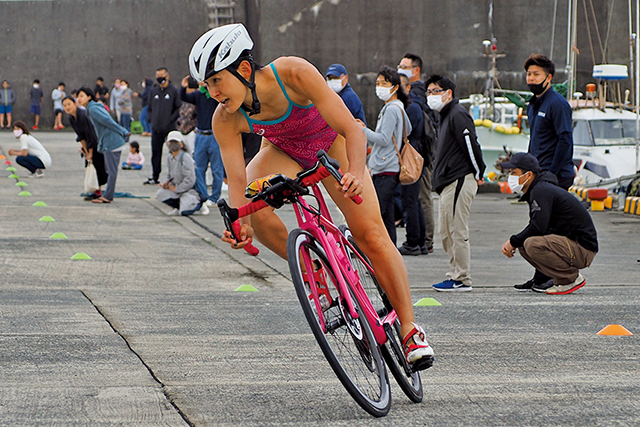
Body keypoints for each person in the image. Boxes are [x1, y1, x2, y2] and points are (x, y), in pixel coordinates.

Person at [188, 23, 433, 369]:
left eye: (217, 80)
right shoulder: (224, 119)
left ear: (244, 69)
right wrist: (240, 222)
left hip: (334, 145)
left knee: (372, 235)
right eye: (207, 84)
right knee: (252, 205)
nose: (212, 92)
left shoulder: (294, 73)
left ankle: (410, 330)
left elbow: (351, 128)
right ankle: (311, 268)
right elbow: (237, 181)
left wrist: (355, 173)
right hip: (285, 151)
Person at [500, 153, 598, 294]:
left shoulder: (541, 191)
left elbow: (538, 227)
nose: (511, 177)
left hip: (583, 249)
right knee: (524, 243)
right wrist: (517, 241)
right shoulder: (539, 189)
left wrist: (512, 241)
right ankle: (549, 279)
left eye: (514, 173)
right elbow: (541, 226)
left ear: (528, 175)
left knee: (531, 244)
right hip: (571, 246)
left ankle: (570, 279)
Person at [427, 74, 486, 292]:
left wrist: (479, 171)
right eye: (429, 92)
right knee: (445, 231)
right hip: (447, 183)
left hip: (459, 179)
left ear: (448, 93)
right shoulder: (444, 116)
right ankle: (454, 273)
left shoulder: (458, 114)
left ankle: (462, 278)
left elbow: (471, 144)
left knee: (456, 230)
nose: (431, 96)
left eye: (436, 91)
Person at [359, 66, 411, 245]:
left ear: (395, 87)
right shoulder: (398, 107)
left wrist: (362, 130)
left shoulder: (391, 109)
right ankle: (391, 253)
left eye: (384, 83)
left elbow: (382, 139)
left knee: (374, 215)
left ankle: (376, 254)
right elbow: (408, 130)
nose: (379, 87)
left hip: (385, 168)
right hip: (388, 166)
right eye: (378, 83)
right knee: (387, 218)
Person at [398, 52, 436, 254]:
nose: (400, 68)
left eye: (404, 66)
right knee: (419, 197)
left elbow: (413, 128)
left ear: (415, 71)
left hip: (416, 154)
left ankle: (423, 240)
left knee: (419, 198)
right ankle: (423, 241)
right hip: (421, 152)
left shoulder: (416, 96)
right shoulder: (418, 95)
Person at [524, 54, 575, 190]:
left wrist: (552, 173)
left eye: (536, 74)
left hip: (556, 175)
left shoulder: (557, 104)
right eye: (529, 74)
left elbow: (565, 140)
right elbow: (534, 139)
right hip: (538, 173)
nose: (531, 78)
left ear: (549, 77)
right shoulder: (533, 104)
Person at [76, 87, 129, 204]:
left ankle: (108, 196)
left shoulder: (93, 109)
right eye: (78, 96)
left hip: (112, 142)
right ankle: (106, 194)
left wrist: (123, 131)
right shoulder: (91, 108)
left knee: (111, 171)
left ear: (89, 97)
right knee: (109, 170)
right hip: (108, 142)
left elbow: (108, 121)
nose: (78, 99)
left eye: (81, 96)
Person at [180, 75, 222, 207]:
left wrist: (209, 86)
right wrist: (183, 86)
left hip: (214, 135)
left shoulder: (215, 97)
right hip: (200, 135)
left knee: (217, 169)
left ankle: (214, 197)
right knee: (199, 167)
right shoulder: (198, 95)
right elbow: (184, 97)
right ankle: (202, 194)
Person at [397, 74, 427, 255]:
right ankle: (421, 242)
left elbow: (405, 132)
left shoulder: (412, 108)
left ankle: (413, 241)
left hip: (410, 157)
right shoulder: (420, 106)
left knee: (410, 201)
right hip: (417, 156)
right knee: (415, 201)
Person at [62, 95, 109, 199]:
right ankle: (95, 190)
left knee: (98, 165)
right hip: (88, 142)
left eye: (69, 104)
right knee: (89, 165)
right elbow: (81, 136)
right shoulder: (71, 118)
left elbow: (91, 134)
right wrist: (86, 151)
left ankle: (99, 191)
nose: (67, 107)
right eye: (65, 105)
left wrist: (90, 153)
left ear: (75, 104)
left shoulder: (83, 115)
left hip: (98, 140)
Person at [156, 131, 209, 216]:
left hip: (190, 191)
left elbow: (190, 179)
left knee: (184, 212)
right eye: (171, 142)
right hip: (176, 189)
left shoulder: (185, 157)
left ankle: (199, 204)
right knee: (161, 194)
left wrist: (177, 189)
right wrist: (167, 185)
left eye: (175, 142)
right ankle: (178, 206)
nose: (173, 145)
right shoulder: (169, 157)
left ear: (181, 144)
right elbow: (169, 176)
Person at [144, 67, 181, 185]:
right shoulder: (154, 91)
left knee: (173, 153)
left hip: (170, 128)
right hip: (156, 128)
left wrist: (170, 119)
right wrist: (152, 120)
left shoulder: (173, 90)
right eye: (157, 75)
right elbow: (149, 108)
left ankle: (174, 177)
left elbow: (177, 107)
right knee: (156, 152)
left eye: (161, 75)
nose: (159, 77)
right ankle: (155, 176)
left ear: (167, 76)